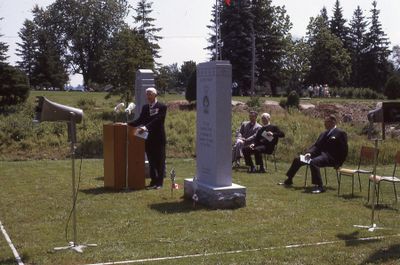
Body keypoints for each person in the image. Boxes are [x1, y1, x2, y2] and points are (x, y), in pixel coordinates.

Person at [280, 115, 348, 193]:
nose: (324, 124)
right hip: (319, 155)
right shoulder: (323, 133)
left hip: (331, 158)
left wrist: (339, 163)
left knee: (314, 162)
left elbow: (344, 150)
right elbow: (316, 146)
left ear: (333, 122)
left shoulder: (340, 133)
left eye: (326, 122)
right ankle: (289, 180)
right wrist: (309, 153)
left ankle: (320, 186)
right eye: (324, 122)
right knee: (297, 159)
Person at [128, 87, 167, 190]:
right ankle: (153, 181)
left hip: (158, 138)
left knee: (160, 161)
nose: (148, 96)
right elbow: (140, 120)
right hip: (148, 138)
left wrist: (145, 127)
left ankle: (159, 183)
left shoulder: (162, 106)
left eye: (150, 94)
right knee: (151, 161)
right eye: (147, 94)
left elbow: (158, 120)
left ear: (155, 95)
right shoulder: (145, 107)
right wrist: (127, 124)